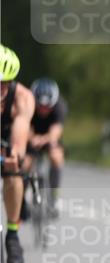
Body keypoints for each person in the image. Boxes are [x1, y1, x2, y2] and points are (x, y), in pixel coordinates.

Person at [0, 44, 35, 263]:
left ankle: (12, 236)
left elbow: (19, 141)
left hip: (6, 140)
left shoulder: (22, 98)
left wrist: (14, 156)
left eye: (4, 85)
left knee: (14, 171)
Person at [27, 77, 67, 216]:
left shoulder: (60, 106)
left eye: (47, 107)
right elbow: (24, 127)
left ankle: (54, 195)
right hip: (31, 135)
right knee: (25, 162)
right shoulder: (28, 103)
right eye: (40, 106)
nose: (43, 110)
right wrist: (32, 138)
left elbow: (55, 132)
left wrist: (42, 139)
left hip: (49, 137)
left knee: (56, 156)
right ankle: (23, 196)